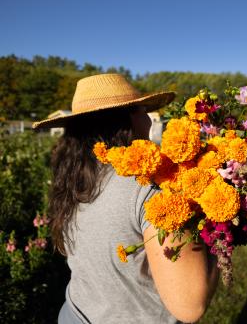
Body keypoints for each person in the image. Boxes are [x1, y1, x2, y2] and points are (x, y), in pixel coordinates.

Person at [33, 74, 219, 324]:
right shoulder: (150, 189)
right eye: (143, 110)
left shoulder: (74, 180)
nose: (148, 121)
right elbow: (190, 307)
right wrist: (222, 235)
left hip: (75, 314)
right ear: (129, 118)